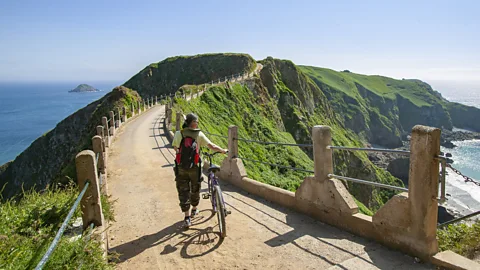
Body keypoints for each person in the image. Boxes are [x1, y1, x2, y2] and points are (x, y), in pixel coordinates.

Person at [172, 113, 227, 227]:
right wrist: (222, 150)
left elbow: (176, 148)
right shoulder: (199, 134)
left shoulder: (179, 133)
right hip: (195, 167)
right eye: (196, 122)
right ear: (194, 123)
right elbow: (211, 146)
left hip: (181, 167)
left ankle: (187, 218)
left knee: (183, 191)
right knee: (195, 188)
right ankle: (194, 209)